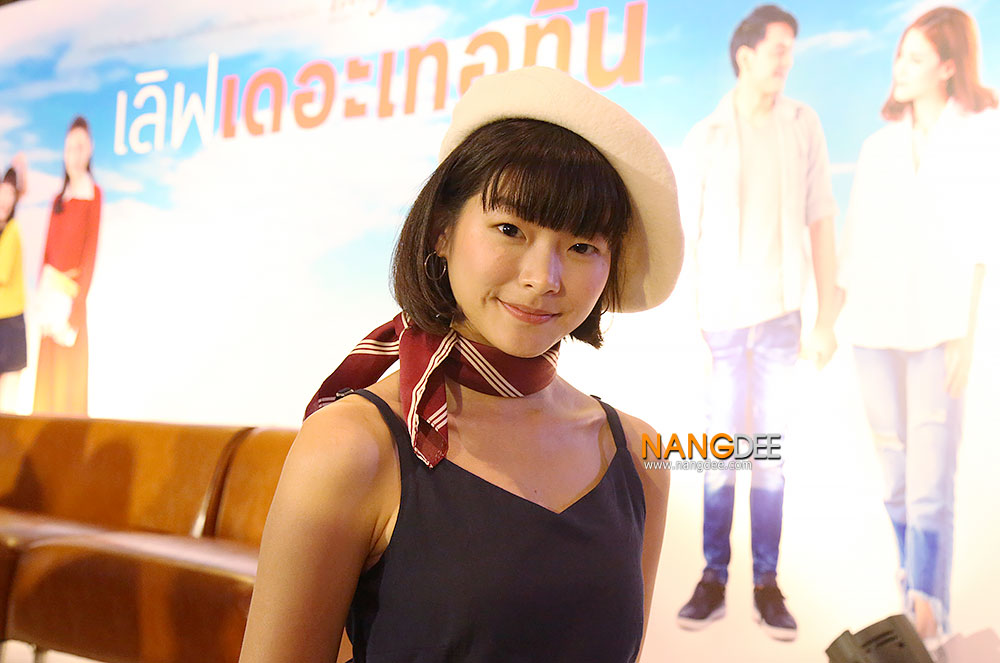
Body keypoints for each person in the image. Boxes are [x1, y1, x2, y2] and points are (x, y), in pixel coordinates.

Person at [239, 66, 683, 662]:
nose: (543, 278)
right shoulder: (352, 445)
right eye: (510, 229)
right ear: (441, 232)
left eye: (582, 246)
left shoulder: (639, 455)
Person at [675, 4, 839, 641]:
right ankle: (713, 578)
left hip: (779, 320)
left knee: (769, 458)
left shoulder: (803, 125)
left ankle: (766, 583)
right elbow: (687, 237)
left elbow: (821, 218)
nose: (786, 61)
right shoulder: (705, 137)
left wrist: (825, 317)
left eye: (790, 50)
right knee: (721, 458)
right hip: (719, 324)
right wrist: (687, 323)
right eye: (777, 49)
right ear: (745, 55)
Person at [836, 6, 997, 643]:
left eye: (916, 58)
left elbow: (983, 242)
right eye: (899, 54)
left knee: (932, 484)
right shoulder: (878, 147)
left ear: (949, 67)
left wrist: (969, 336)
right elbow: (856, 243)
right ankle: (913, 597)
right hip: (873, 332)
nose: (900, 68)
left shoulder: (981, 134)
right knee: (898, 481)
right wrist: (828, 324)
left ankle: (928, 613)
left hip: (939, 332)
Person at [33, 116, 101, 416]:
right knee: (46, 379)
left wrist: (76, 303)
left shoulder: (93, 195)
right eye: (69, 147)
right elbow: (46, 254)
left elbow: (90, 253)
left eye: (80, 147)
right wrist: (41, 301)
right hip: (50, 301)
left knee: (68, 383)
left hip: (72, 303)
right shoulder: (58, 199)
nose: (74, 154)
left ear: (90, 150)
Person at [0, 154, 28, 412]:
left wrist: (21, 169)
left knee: (7, 405)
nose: (5, 199)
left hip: (10, 323)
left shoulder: (12, 231)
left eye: (10, 193)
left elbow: (3, 273)